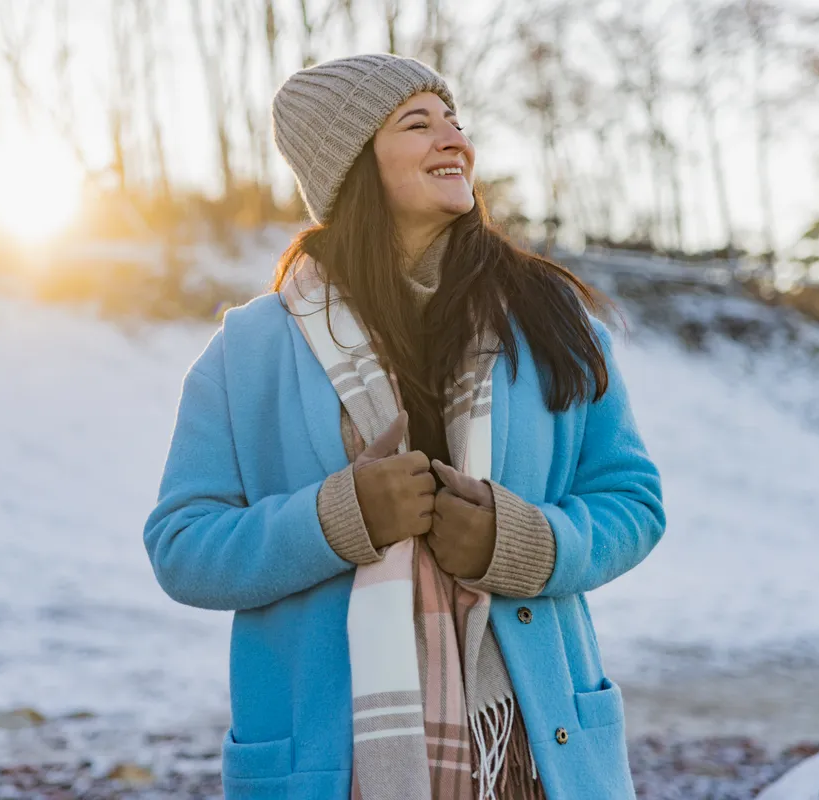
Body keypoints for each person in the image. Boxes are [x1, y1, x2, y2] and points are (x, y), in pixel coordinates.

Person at [144, 53, 666, 800]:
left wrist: (520, 543)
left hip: (523, 752)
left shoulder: (547, 319)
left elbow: (632, 503)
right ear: (352, 164)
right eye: (418, 123)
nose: (453, 139)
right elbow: (183, 546)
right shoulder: (252, 349)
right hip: (342, 764)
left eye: (455, 121)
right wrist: (339, 518)